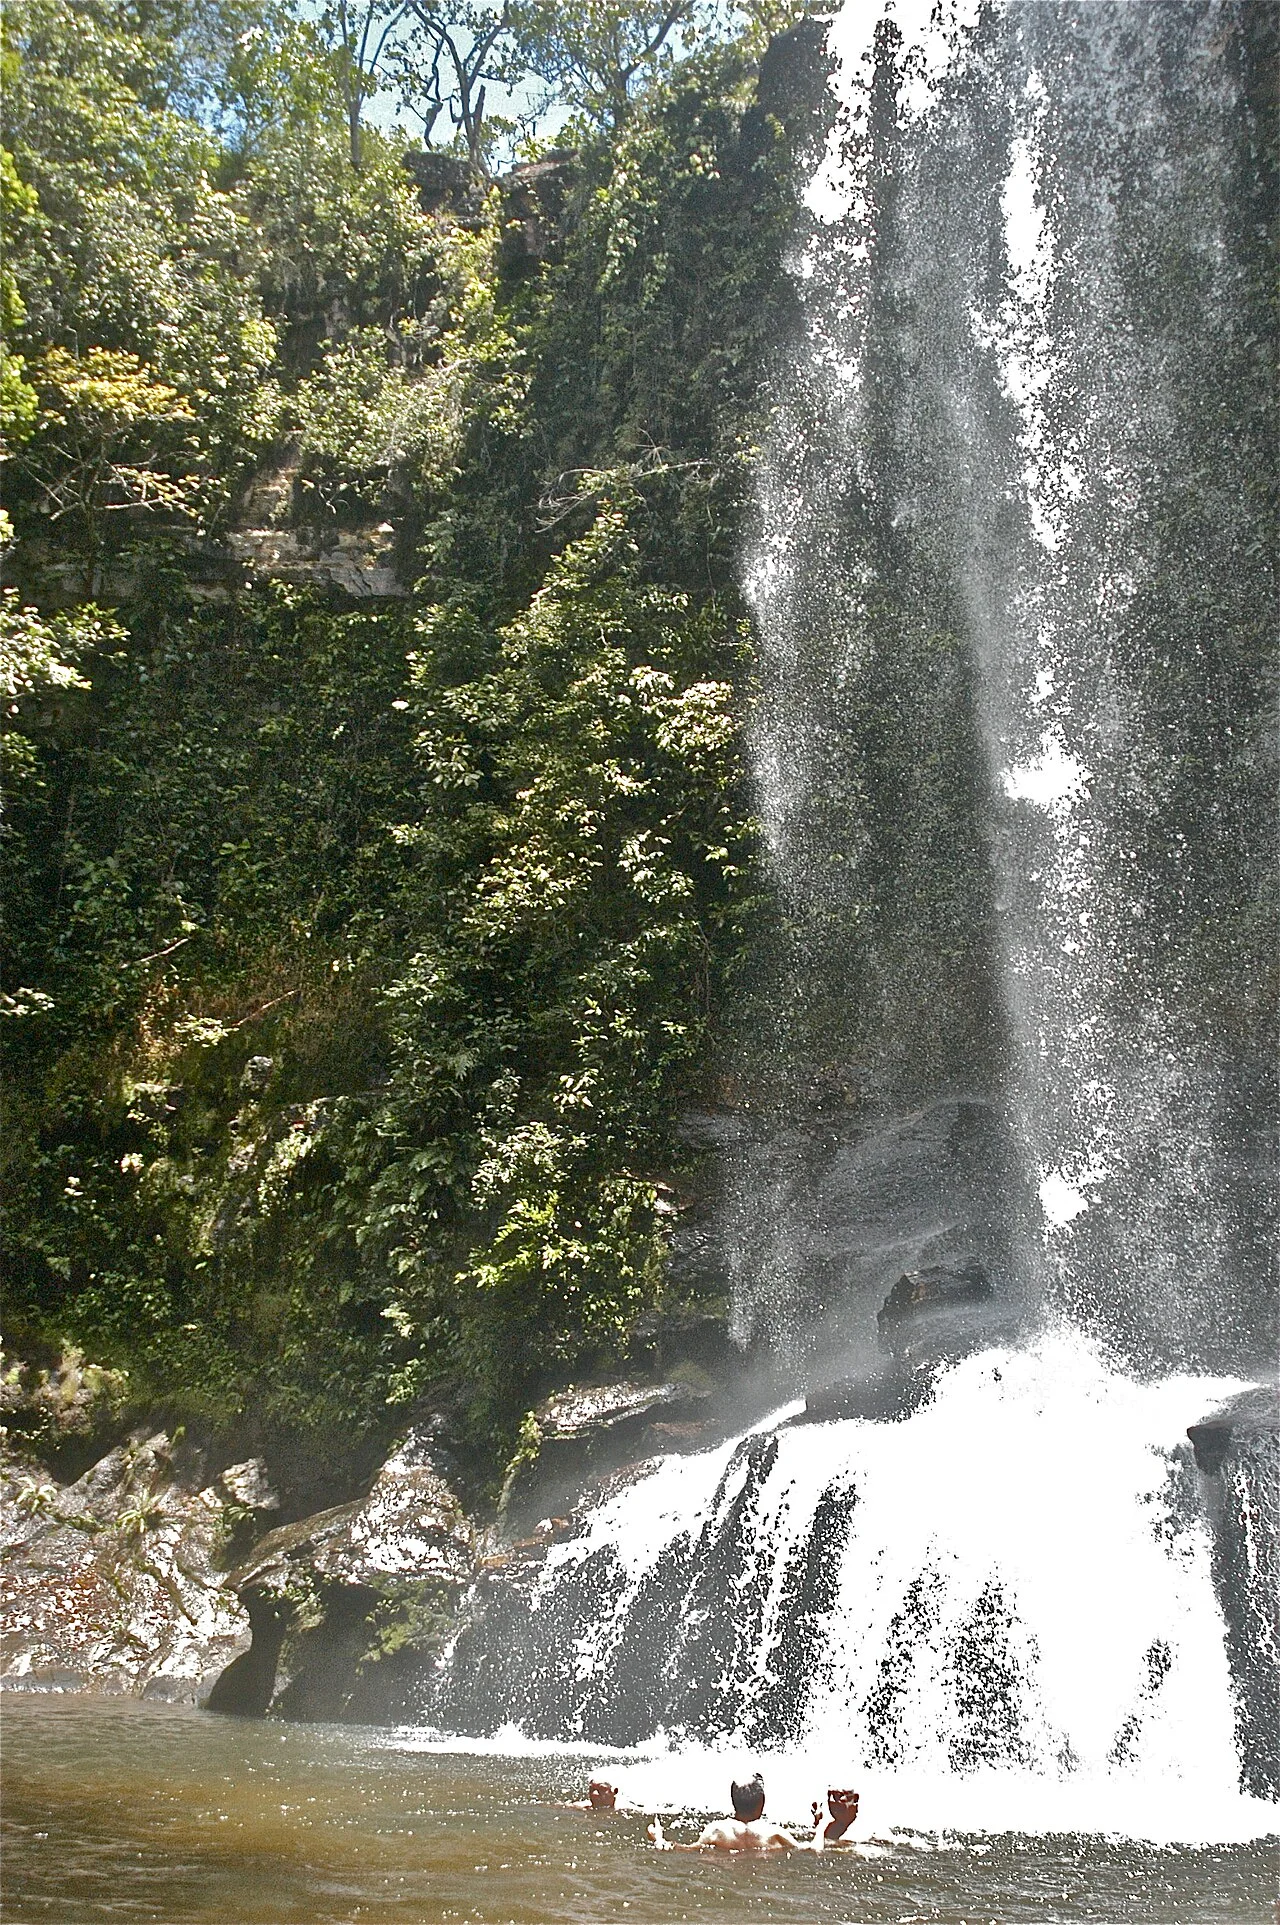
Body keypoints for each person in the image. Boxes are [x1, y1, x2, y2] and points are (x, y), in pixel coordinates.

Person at [647, 1772, 813, 1853]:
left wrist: (658, 1838)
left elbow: (686, 1849)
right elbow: (813, 1850)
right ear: (762, 1802)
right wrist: (822, 1824)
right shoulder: (775, 1833)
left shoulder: (717, 1830)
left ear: (733, 1799)